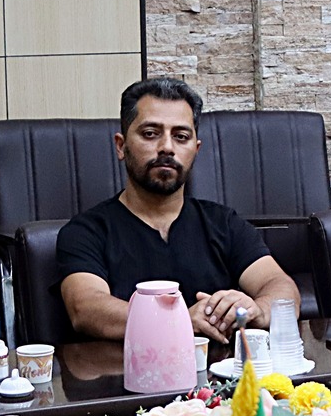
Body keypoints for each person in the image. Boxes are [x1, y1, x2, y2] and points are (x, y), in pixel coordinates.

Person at [58, 79, 301, 342]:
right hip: (124, 368)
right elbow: (86, 307)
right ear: (121, 146)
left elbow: (280, 287)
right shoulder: (86, 231)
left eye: (181, 137)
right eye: (150, 133)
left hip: (220, 368)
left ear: (196, 150)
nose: (167, 147)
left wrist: (257, 311)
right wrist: (179, 320)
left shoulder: (223, 222)